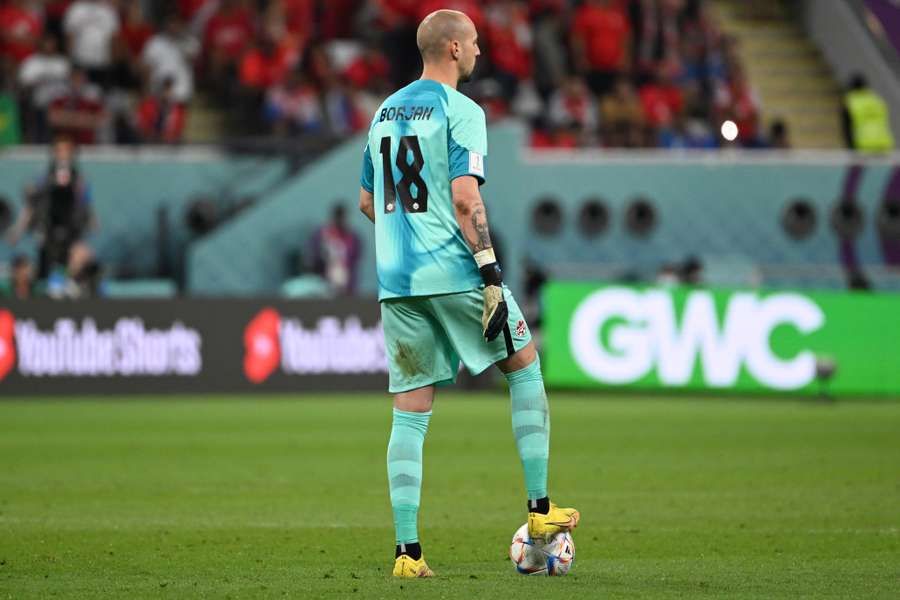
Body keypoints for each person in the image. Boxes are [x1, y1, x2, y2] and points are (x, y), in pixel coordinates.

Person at [357, 9, 580, 578]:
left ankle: (408, 555)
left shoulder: (383, 112)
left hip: (395, 283)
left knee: (409, 414)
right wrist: (490, 276)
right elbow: (464, 199)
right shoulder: (462, 111)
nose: (480, 51)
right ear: (453, 48)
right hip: (454, 272)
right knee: (526, 366)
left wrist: (402, 245)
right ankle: (540, 512)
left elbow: (367, 202)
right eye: (475, 43)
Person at [7, 135, 96, 279]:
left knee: (76, 264)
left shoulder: (79, 179)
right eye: (59, 151)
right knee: (45, 269)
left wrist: (91, 221)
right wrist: (19, 229)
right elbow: (32, 204)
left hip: (71, 231)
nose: (63, 155)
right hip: (48, 230)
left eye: (67, 151)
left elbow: (85, 203)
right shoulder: (44, 176)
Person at [308, 204, 361, 295]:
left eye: (341, 217)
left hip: (346, 284)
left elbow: (355, 258)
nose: (339, 220)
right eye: (337, 216)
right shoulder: (322, 235)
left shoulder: (352, 237)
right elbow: (314, 256)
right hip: (324, 282)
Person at [842, 74, 895, 153]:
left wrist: (851, 149)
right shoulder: (877, 100)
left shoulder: (850, 102)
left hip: (862, 146)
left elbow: (847, 128)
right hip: (883, 144)